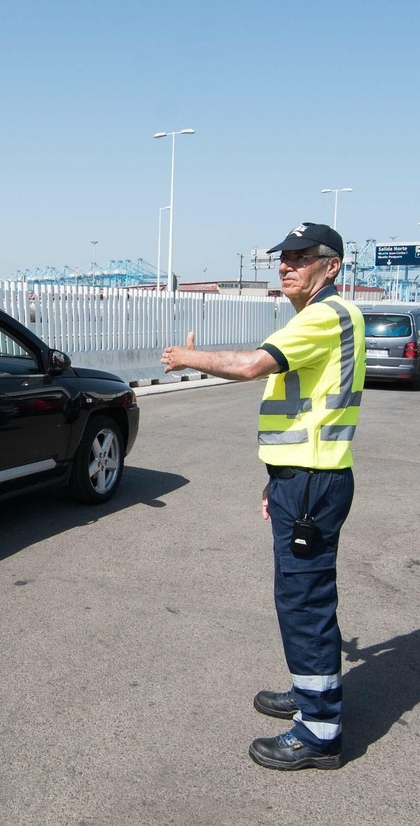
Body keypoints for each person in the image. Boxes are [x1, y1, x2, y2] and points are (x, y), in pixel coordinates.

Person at [160, 221, 365, 771]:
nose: (286, 265)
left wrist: (186, 358)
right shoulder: (318, 318)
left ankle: (320, 731)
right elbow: (304, 413)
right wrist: (276, 481)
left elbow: (251, 365)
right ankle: (311, 694)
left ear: (332, 267)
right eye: (284, 256)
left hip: (312, 482)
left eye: (301, 256)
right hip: (301, 480)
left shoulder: (325, 316)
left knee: (304, 600)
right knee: (301, 595)